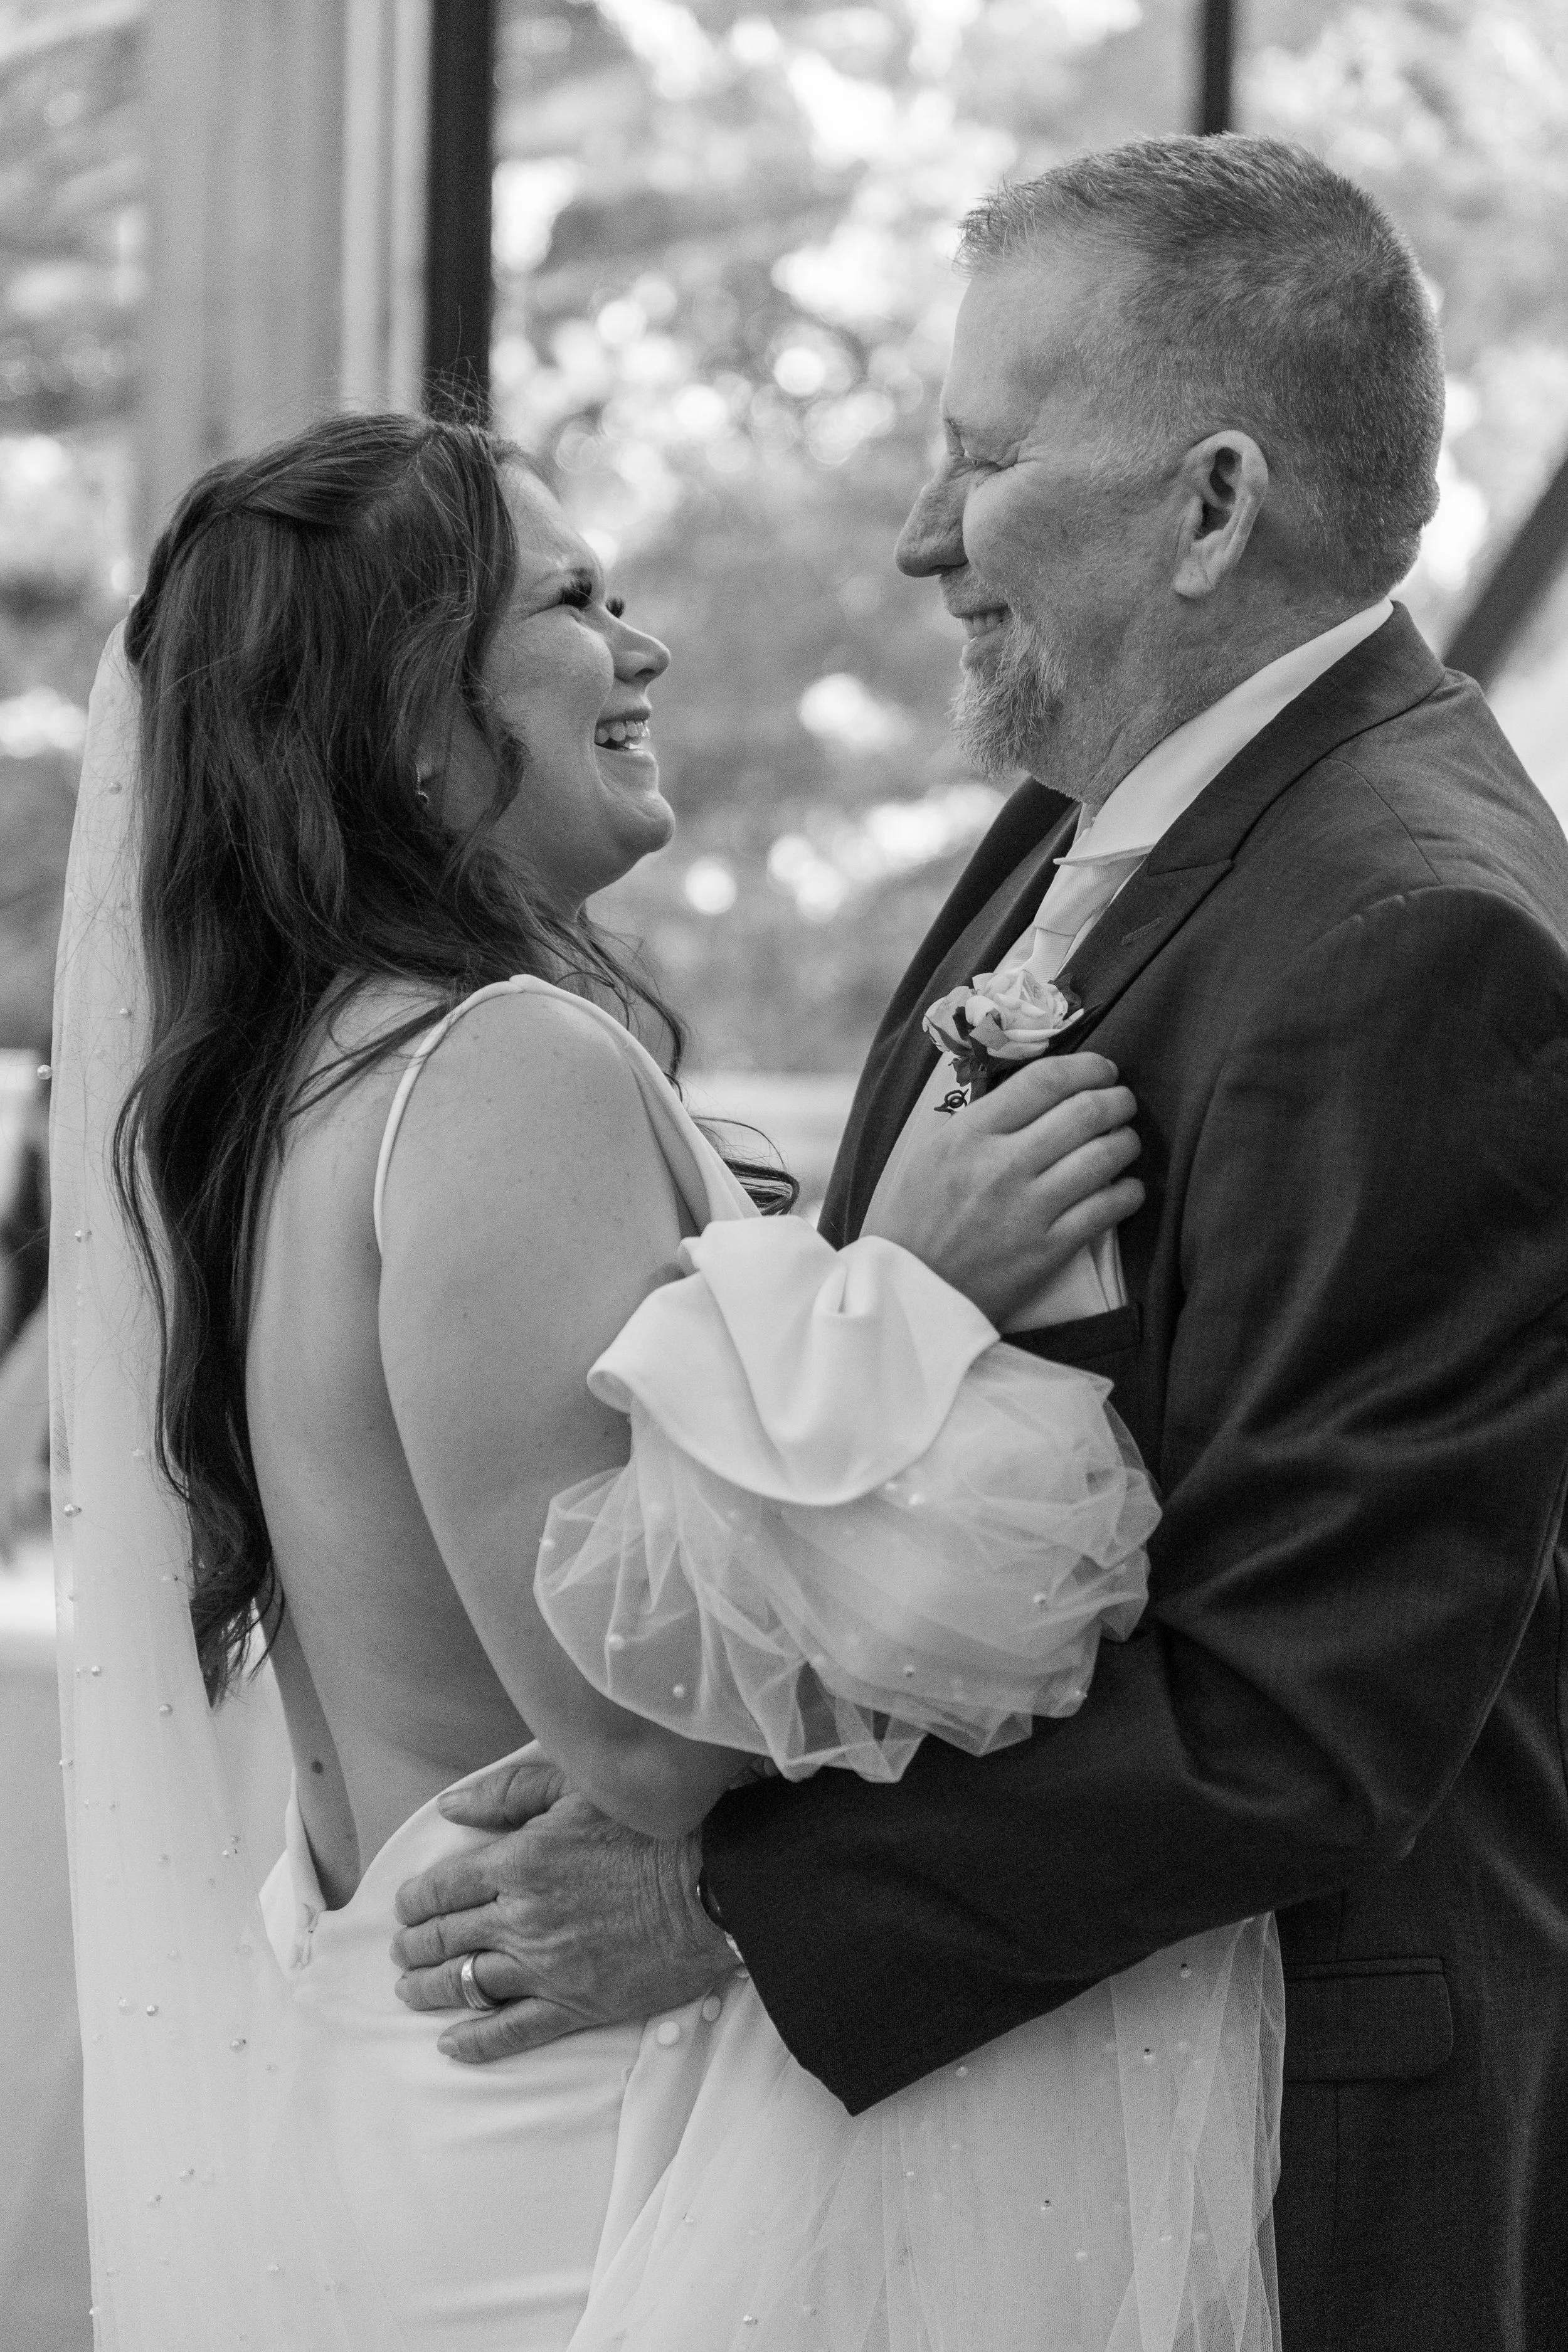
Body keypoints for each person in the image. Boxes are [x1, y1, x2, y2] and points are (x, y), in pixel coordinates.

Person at [392, 135, 1568, 2352]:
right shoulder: (1106, 819)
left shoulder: (1409, 932)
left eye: (984, 456)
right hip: (1047, 2070)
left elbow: (1311, 1700)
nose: (922, 535)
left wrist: (729, 1903)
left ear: (1210, 507)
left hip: (1286, 2129)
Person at [53, 408, 1279, 2352]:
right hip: (563, 2124)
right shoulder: (494, 1065)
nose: (642, 648)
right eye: (569, 601)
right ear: (407, 716)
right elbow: (630, 1736)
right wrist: (911, 1287)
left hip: (418, 2055)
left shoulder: (304, 1078)